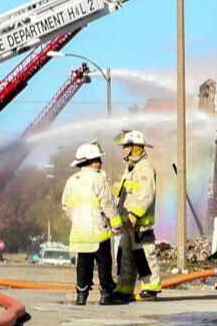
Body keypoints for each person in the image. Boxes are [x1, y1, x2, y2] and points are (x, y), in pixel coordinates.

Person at [62, 142, 117, 306]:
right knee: (104, 264)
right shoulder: (99, 178)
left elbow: (65, 204)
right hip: (98, 231)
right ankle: (106, 294)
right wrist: (116, 224)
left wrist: (77, 218)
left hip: (79, 233)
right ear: (91, 161)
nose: (101, 162)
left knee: (83, 265)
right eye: (99, 159)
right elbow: (108, 203)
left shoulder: (72, 180)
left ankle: (81, 295)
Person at [113, 129, 162, 300]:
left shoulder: (144, 168)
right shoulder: (130, 168)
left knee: (144, 254)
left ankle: (151, 287)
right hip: (128, 223)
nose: (122, 149)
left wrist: (134, 214)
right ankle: (125, 288)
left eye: (125, 146)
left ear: (135, 147)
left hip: (140, 222)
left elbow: (146, 194)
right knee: (126, 255)